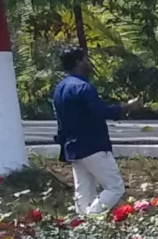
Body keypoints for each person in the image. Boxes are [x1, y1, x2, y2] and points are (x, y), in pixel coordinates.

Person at [52, 47, 126, 214]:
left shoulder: (59, 89)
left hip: (73, 148)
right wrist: (125, 108)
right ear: (79, 62)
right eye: (86, 59)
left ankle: (80, 229)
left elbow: (61, 122)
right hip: (93, 145)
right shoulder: (83, 87)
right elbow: (101, 112)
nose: (89, 63)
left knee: (83, 193)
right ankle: (90, 221)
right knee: (115, 188)